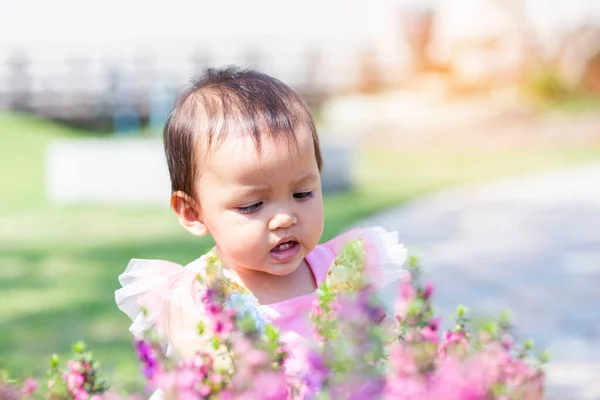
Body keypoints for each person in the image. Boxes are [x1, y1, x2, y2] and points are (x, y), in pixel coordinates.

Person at [115, 66, 407, 369]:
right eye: (253, 205)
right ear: (193, 213)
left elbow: (384, 334)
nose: (284, 218)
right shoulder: (197, 296)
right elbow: (208, 379)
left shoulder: (337, 272)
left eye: (302, 194)